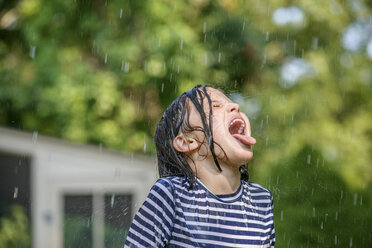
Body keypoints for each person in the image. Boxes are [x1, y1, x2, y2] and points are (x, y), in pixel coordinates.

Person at [124, 85, 275, 247]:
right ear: (187, 141)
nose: (236, 106)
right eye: (215, 106)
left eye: (233, 104)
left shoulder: (261, 200)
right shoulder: (172, 194)